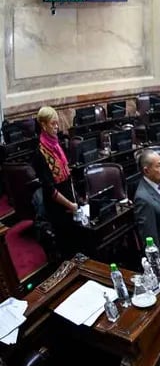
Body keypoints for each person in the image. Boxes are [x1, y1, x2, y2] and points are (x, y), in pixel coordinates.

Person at [32, 107, 80, 257]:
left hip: (68, 198)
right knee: (66, 245)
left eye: (57, 123)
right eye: (53, 124)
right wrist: (70, 205)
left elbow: (65, 171)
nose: (56, 127)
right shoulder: (39, 154)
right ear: (44, 125)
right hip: (57, 207)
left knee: (77, 240)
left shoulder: (56, 145)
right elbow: (50, 190)